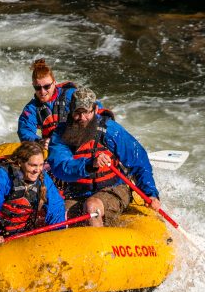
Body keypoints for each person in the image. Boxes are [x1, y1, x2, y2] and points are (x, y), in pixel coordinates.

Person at [47, 86, 160, 227]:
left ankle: (98, 246)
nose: (82, 118)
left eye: (86, 112)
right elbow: (59, 167)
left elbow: (139, 161)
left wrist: (150, 193)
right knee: (56, 217)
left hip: (113, 189)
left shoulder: (111, 130)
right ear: (70, 111)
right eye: (77, 113)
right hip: (77, 194)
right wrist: (89, 164)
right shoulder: (61, 134)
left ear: (95, 110)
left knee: (92, 207)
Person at [0, 141, 67, 245]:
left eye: (41, 165)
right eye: (33, 165)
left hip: (15, 232)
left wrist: (57, 232)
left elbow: (56, 207)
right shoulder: (1, 176)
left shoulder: (43, 178)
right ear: (20, 163)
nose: (37, 170)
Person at [17, 58, 79, 149]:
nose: (42, 92)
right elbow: (25, 131)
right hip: (51, 148)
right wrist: (40, 142)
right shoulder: (31, 108)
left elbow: (94, 112)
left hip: (76, 142)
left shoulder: (71, 95)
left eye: (47, 86)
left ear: (54, 83)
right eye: (38, 87)